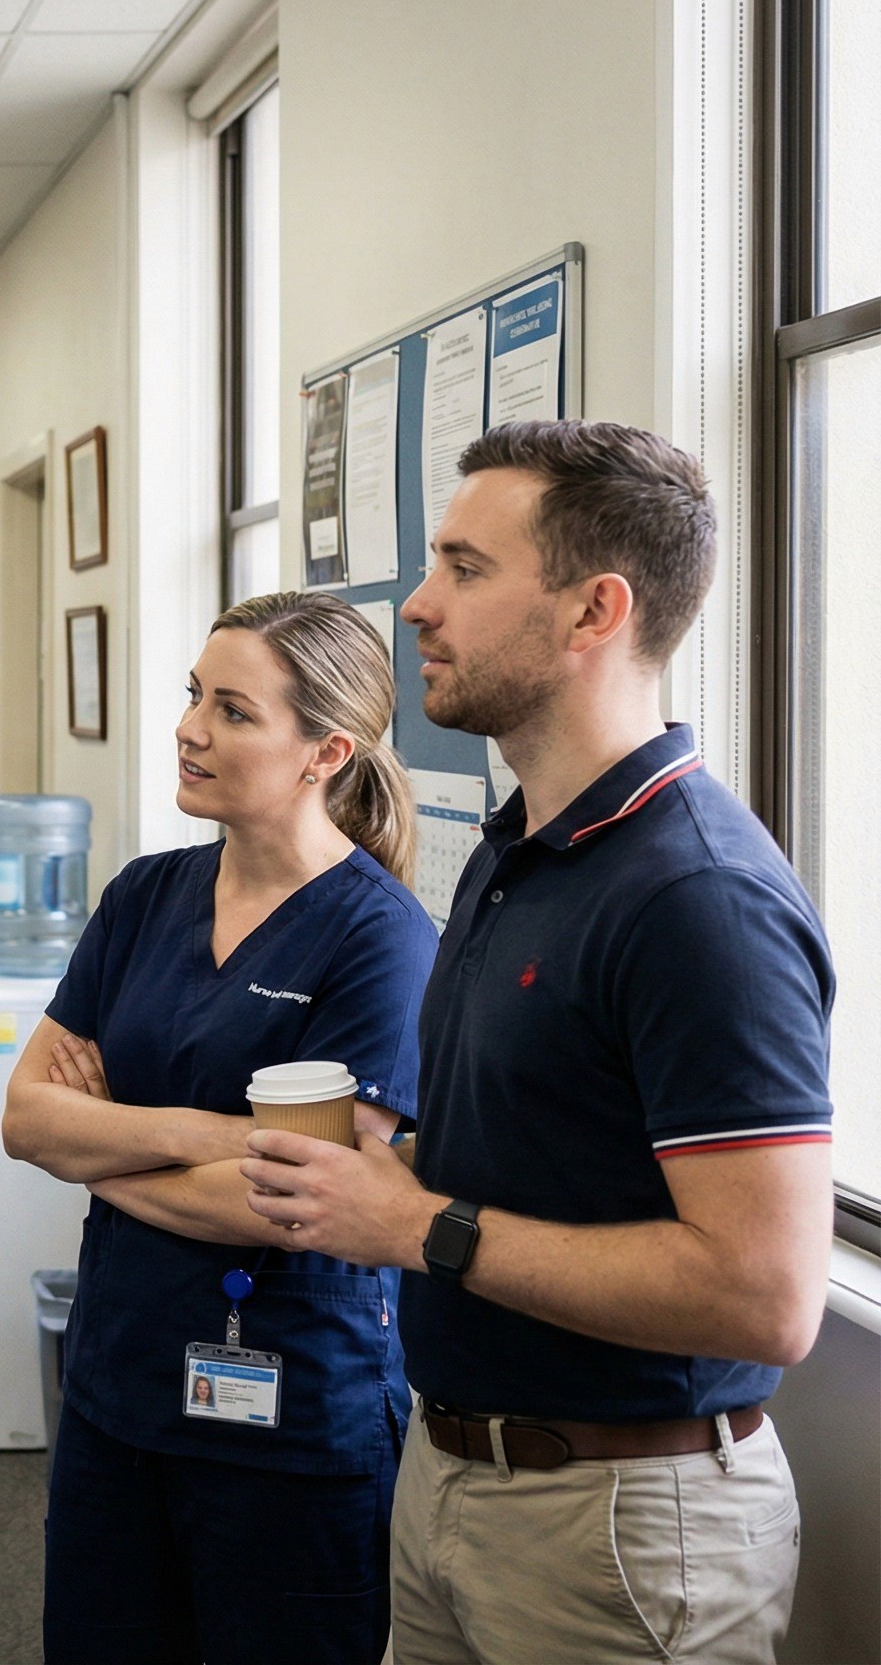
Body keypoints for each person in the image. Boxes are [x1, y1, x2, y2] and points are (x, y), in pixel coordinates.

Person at [238, 421, 835, 1664]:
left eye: (464, 567)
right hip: (456, 1467)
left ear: (593, 611)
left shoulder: (698, 897)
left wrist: (414, 1226)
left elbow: (766, 1295)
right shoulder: (519, 850)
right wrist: (397, 1177)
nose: (414, 603)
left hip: (623, 1520)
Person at [3, 592, 438, 1665]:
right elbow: (24, 1117)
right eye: (195, 695)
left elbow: (291, 1200)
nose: (191, 726)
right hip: (116, 1391)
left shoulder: (381, 939)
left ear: (323, 751)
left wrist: (100, 1143)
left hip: (292, 1422)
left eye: (234, 709)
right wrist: (207, 1132)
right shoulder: (146, 894)